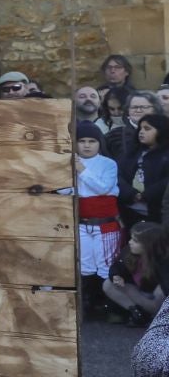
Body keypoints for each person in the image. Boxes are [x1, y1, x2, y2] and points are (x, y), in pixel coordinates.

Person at [74, 123, 123, 322]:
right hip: (82, 222)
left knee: (105, 265)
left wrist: (82, 170)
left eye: (91, 141)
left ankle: (111, 306)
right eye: (82, 141)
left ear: (98, 143)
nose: (87, 145)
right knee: (85, 265)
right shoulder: (70, 162)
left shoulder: (108, 164)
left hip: (105, 224)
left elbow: (103, 188)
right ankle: (87, 305)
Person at [105, 224, 169, 328]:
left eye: (135, 241)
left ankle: (158, 318)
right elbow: (116, 266)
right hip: (138, 293)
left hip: (156, 298)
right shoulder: (129, 251)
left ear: (149, 244)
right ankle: (138, 313)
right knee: (108, 284)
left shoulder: (164, 259)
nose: (130, 242)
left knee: (160, 291)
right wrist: (116, 276)